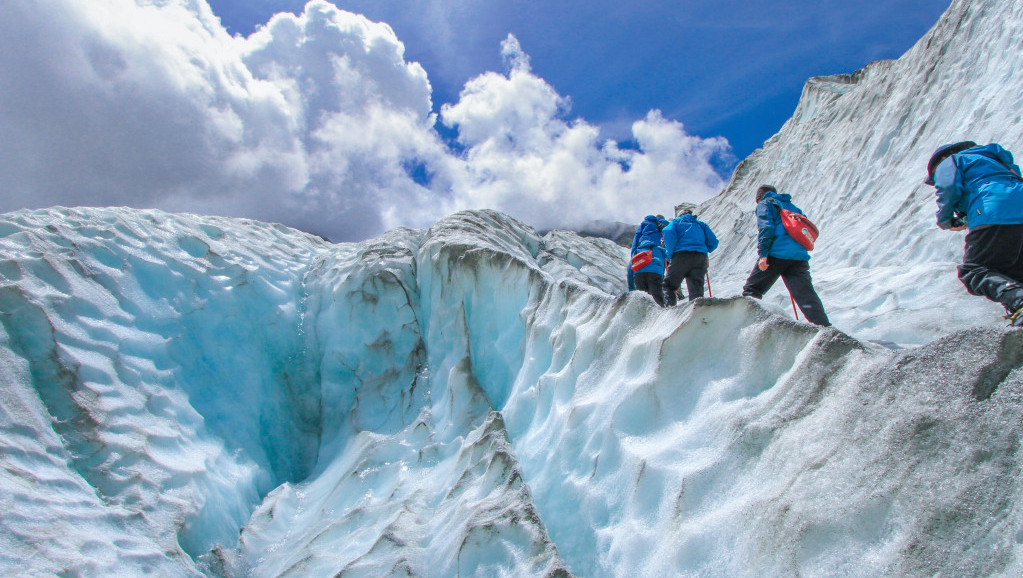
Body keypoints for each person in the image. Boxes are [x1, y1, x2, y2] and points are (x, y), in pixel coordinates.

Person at [926, 141, 1023, 324]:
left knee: (973, 271)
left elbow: (948, 188)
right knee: (1013, 271)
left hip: (993, 210)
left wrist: (945, 218)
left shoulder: (951, 160)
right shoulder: (995, 160)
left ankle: (1020, 303)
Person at [742, 185, 831, 326]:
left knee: (752, 290)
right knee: (806, 296)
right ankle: (824, 327)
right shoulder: (792, 207)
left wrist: (763, 254)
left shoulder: (765, 204)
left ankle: (747, 325)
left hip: (776, 254)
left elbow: (766, 228)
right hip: (799, 257)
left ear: (758, 198)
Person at [661, 209, 719, 305]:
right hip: (700, 258)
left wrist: (670, 254)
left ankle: (670, 311)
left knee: (669, 286)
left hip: (681, 256)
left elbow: (668, 232)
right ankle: (696, 313)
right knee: (696, 291)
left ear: (679, 215)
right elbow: (713, 242)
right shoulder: (701, 224)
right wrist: (705, 249)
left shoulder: (676, 222)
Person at [630, 214, 669, 306]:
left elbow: (635, 242)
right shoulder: (665, 227)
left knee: (643, 300)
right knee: (658, 299)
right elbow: (669, 248)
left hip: (639, 269)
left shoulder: (643, 226)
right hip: (655, 270)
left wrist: (633, 257)